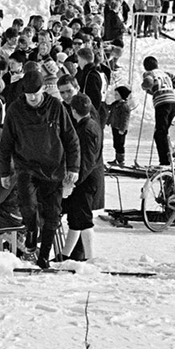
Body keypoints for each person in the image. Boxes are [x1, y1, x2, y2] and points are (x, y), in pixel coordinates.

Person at [0, 71, 80, 269]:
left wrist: (74, 167)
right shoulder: (15, 110)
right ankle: (32, 233)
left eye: (36, 93)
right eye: (29, 94)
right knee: (28, 205)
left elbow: (71, 138)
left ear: (43, 89)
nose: (33, 98)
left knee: (53, 215)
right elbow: (6, 143)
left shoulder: (56, 107)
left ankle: (44, 257)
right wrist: (4, 172)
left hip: (53, 168)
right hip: (27, 166)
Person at [61, 94, 103, 262]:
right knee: (75, 219)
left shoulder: (87, 129)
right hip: (84, 179)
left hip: (86, 181)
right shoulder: (88, 124)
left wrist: (73, 182)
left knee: (83, 220)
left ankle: (90, 257)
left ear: (73, 110)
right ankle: (65, 255)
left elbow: (86, 161)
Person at [142, 56, 175, 166]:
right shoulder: (165, 73)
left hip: (162, 104)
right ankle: (169, 155)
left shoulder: (150, 73)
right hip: (172, 103)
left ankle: (165, 162)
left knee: (159, 134)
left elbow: (148, 83)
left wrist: (144, 87)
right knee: (164, 131)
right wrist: (170, 88)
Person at [108, 85, 133, 167]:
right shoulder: (115, 104)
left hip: (120, 128)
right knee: (116, 144)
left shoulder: (124, 106)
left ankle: (121, 160)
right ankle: (117, 159)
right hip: (115, 127)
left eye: (117, 95)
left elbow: (125, 119)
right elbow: (111, 112)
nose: (115, 96)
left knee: (120, 144)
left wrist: (122, 128)